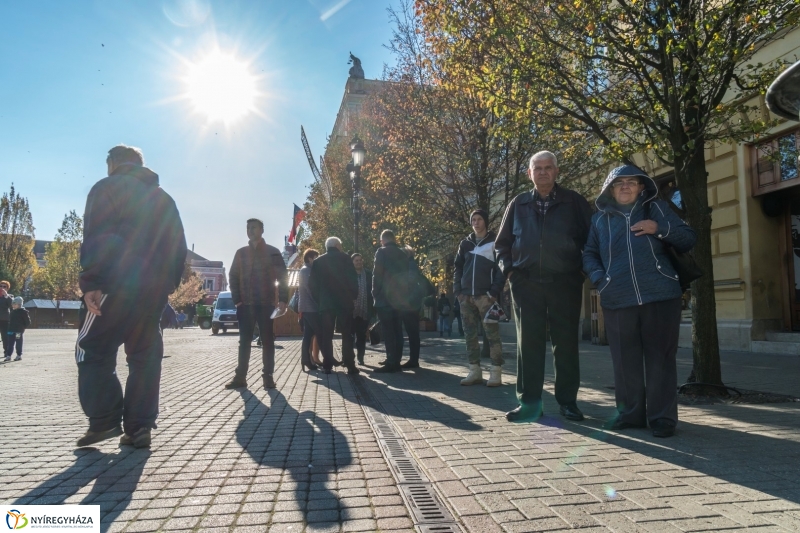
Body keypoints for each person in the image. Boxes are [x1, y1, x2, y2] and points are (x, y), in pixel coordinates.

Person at [75, 144, 187, 449]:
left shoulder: (107, 187)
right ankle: (139, 428)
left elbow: (97, 234)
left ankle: (104, 420)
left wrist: (92, 282)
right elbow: (179, 247)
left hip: (114, 285)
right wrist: (166, 286)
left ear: (112, 163)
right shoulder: (164, 199)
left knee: (91, 348)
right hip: (152, 293)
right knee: (145, 358)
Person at [583, 165, 696, 438]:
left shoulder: (655, 209)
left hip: (660, 295)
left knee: (660, 359)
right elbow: (589, 253)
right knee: (624, 360)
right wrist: (601, 279)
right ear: (610, 189)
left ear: (641, 186)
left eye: (631, 182)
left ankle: (662, 418)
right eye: (619, 182)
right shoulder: (600, 220)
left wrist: (659, 228)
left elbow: (688, 238)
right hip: (617, 298)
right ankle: (631, 414)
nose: (625, 186)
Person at [495, 150, 593, 423]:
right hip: (526, 285)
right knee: (529, 345)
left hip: (565, 283)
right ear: (529, 173)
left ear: (557, 171)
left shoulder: (574, 202)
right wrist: (511, 273)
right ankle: (529, 403)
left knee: (566, 345)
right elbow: (501, 245)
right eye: (537, 168)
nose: (543, 172)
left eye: (548, 167)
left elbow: (593, 240)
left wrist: (580, 272)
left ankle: (568, 402)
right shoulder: (518, 204)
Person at [225, 218, 288, 390]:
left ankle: (268, 377)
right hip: (245, 304)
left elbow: (282, 277)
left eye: (254, 227)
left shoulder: (272, 252)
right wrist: (237, 299)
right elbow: (233, 277)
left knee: (267, 341)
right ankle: (240, 377)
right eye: (248, 228)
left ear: (262, 230)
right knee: (244, 341)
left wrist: (283, 299)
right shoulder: (241, 253)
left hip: (266, 304)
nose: (250, 230)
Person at [455, 209, 504, 387]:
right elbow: (457, 268)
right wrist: (458, 291)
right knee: (469, 335)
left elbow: (501, 269)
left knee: (492, 335)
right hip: (466, 296)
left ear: (485, 222)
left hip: (486, 297)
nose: (476, 222)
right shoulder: (465, 244)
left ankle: (496, 372)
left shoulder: (494, 242)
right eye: (473, 220)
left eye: (479, 219)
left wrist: (493, 291)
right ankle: (474, 370)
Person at [309, 237, 359, 374]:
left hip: (326, 304)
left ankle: (327, 364)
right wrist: (353, 296)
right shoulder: (346, 258)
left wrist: (320, 300)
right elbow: (353, 280)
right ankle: (350, 364)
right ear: (337, 245)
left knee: (327, 335)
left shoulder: (318, 261)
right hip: (345, 303)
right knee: (347, 334)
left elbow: (312, 285)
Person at [372, 229, 411, 373]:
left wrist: (375, 293)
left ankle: (391, 361)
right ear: (394, 239)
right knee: (397, 330)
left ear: (383, 240)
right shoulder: (403, 254)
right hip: (400, 299)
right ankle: (397, 360)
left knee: (388, 331)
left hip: (385, 298)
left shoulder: (381, 252)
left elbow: (377, 274)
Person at [396, 245, 435, 369]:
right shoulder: (410, 264)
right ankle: (412, 360)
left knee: (412, 332)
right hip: (412, 304)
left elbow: (410, 284)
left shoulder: (410, 265)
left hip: (410, 305)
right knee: (412, 333)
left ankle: (413, 360)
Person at [297, 248, 320, 371]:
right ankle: (307, 359)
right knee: (317, 333)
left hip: (308, 307)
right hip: (309, 307)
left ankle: (306, 359)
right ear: (310, 258)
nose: (318, 260)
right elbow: (310, 289)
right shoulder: (306, 271)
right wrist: (319, 302)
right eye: (316, 257)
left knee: (308, 334)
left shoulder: (308, 270)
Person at [351, 253, 374, 365]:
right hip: (351, 310)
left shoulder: (369, 274)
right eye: (356, 260)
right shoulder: (348, 274)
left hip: (365, 310)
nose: (359, 262)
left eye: (360, 260)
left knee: (361, 335)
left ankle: (361, 357)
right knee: (350, 335)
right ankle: (349, 358)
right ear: (353, 262)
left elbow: (372, 291)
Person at [5, 297, 30, 361]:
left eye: (15, 304)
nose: (13, 305)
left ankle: (19, 355)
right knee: (10, 343)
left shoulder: (24, 312)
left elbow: (27, 322)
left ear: (19, 304)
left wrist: (22, 328)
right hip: (11, 330)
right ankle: (8, 355)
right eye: (12, 304)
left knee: (18, 343)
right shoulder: (12, 312)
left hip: (18, 331)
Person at [0, 281, 13, 355]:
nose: (2, 288)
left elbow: (11, 305)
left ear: (7, 288)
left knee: (5, 336)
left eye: (4, 286)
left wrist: (6, 296)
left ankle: (6, 351)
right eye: (0, 286)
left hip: (5, 319)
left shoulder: (10, 296)